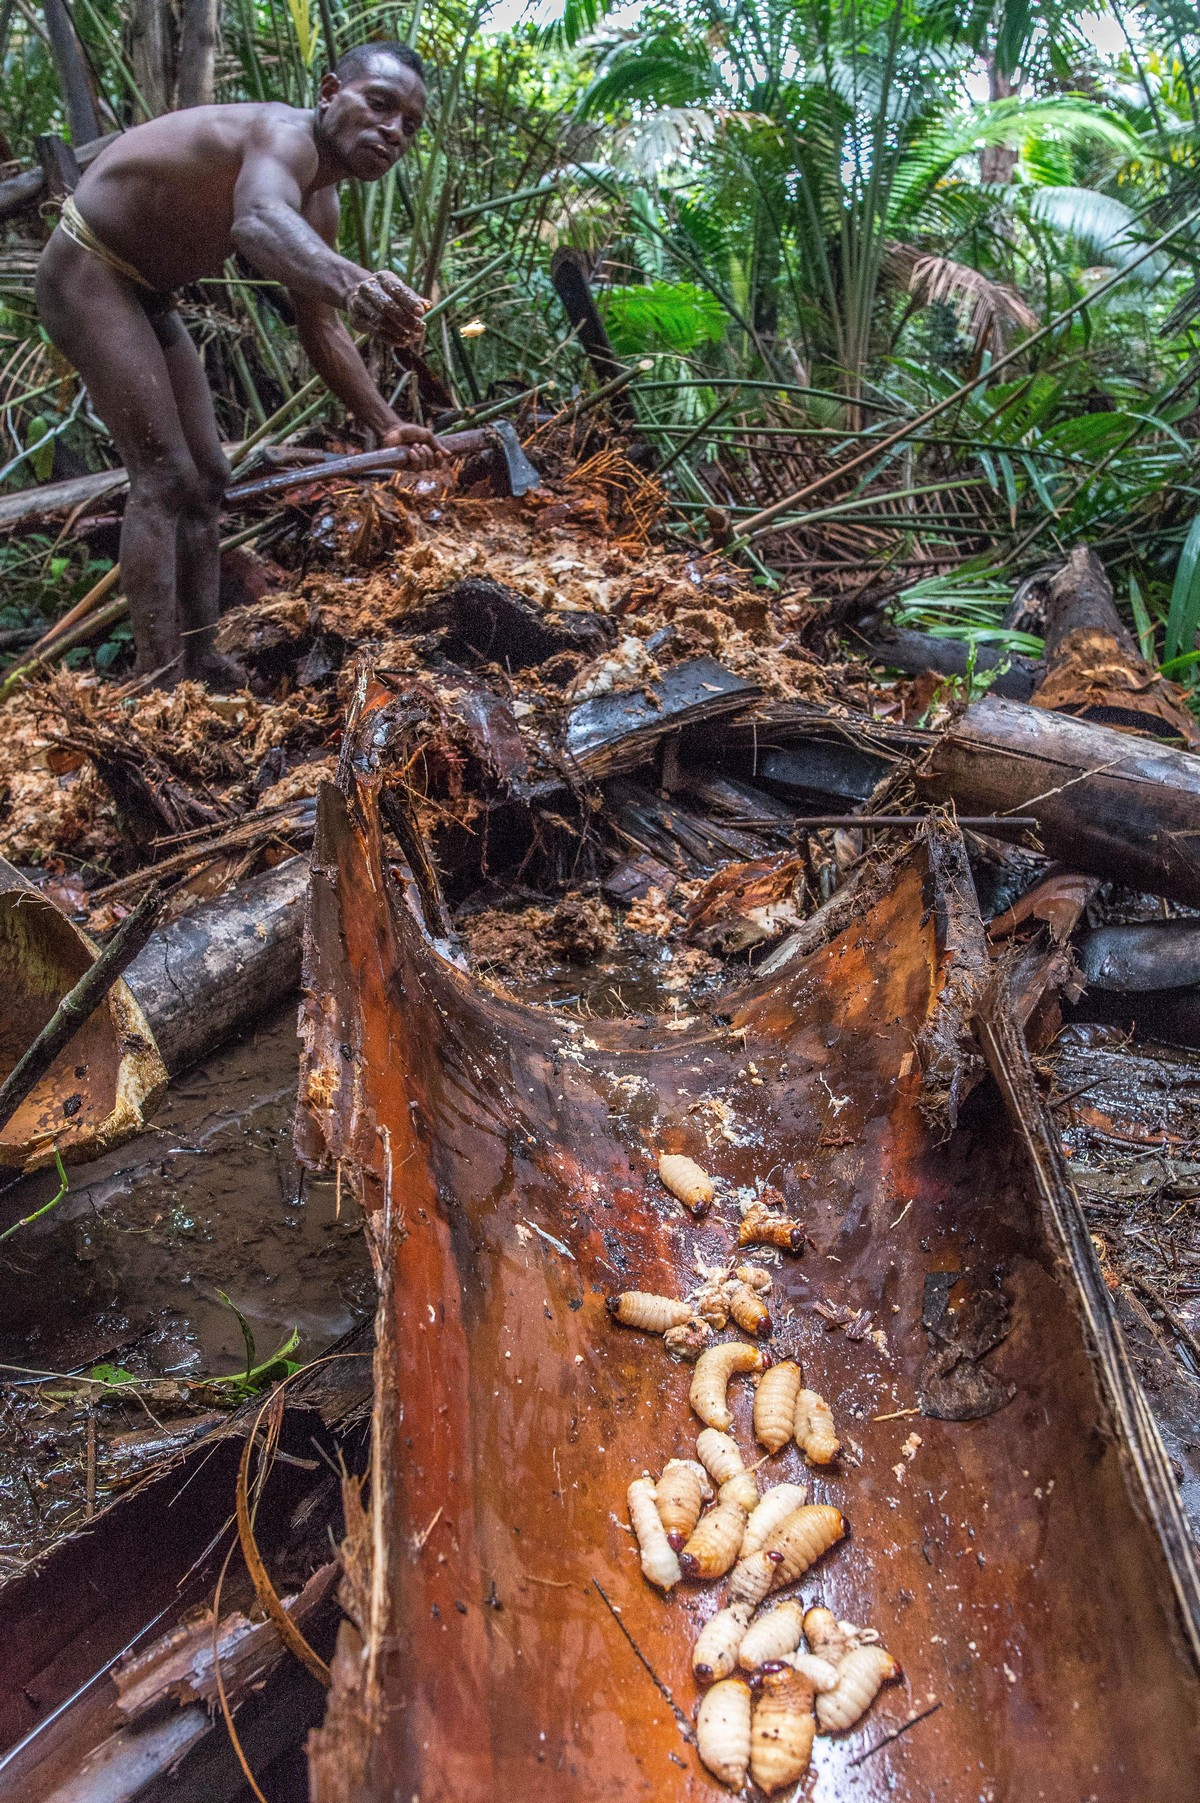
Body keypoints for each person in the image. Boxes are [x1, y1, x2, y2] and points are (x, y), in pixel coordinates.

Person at [35, 41, 443, 687]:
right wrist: (353, 281)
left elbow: (321, 325)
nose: (393, 131)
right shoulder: (282, 135)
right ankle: (158, 680)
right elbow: (257, 221)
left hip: (150, 294)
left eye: (410, 126)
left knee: (209, 477)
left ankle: (202, 657)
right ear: (332, 90)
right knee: (164, 476)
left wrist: (386, 423)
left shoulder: (321, 201)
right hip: (89, 269)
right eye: (380, 104)